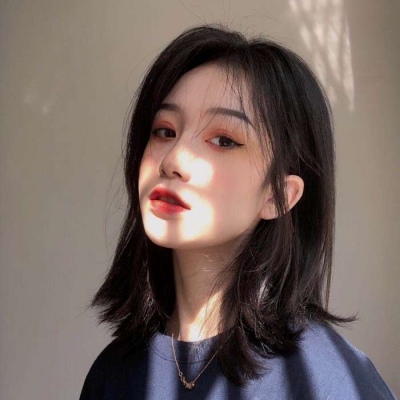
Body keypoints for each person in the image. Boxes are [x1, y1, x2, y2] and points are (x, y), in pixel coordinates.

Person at [79, 25, 396, 399]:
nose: (173, 160)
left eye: (224, 140)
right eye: (165, 131)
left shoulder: (331, 382)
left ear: (279, 195)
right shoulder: (114, 374)